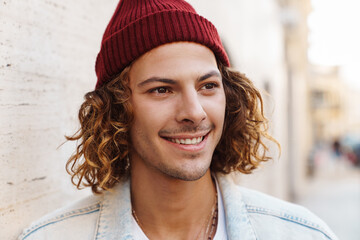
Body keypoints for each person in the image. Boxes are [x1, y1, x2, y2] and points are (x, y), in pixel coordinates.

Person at [19, 0, 338, 239]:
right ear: (115, 111)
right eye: (161, 90)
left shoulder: (303, 234)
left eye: (208, 86)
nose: (195, 112)